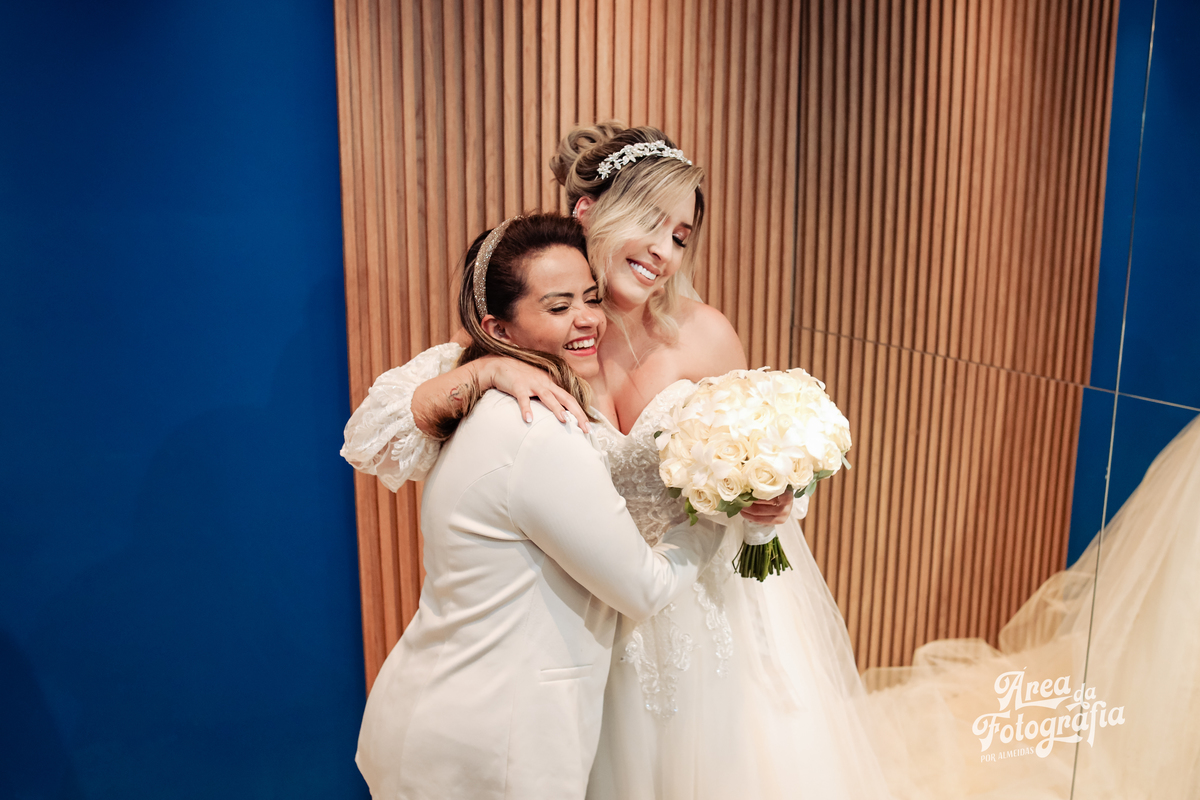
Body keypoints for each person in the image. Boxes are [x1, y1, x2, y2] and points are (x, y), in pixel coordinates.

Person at [343, 123, 894, 798]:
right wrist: (482, 374)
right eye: (650, 222)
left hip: (707, 614)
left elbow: (757, 446)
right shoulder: (538, 333)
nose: (665, 251)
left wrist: (773, 496)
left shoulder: (706, 335)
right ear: (589, 212)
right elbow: (372, 437)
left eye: (681, 236)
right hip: (587, 631)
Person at [352, 213, 724, 800]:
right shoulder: (536, 429)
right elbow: (644, 588)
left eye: (591, 298)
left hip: (445, 713)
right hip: (492, 743)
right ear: (498, 329)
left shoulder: (489, 404)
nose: (588, 319)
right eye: (558, 307)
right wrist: (714, 515)